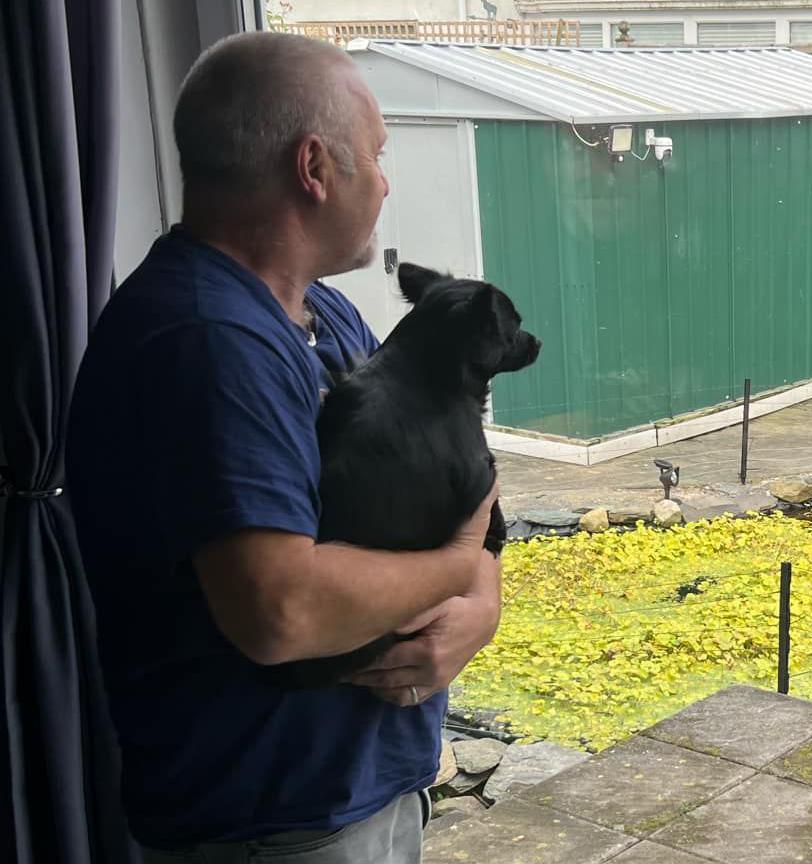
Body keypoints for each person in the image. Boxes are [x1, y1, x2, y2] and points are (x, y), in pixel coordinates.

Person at [66, 32, 501, 863]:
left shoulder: (325, 316)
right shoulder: (205, 341)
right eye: (374, 157)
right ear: (314, 168)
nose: (384, 182)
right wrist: (456, 565)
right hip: (273, 825)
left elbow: (456, 485)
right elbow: (281, 611)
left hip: (349, 794)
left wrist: (480, 604)